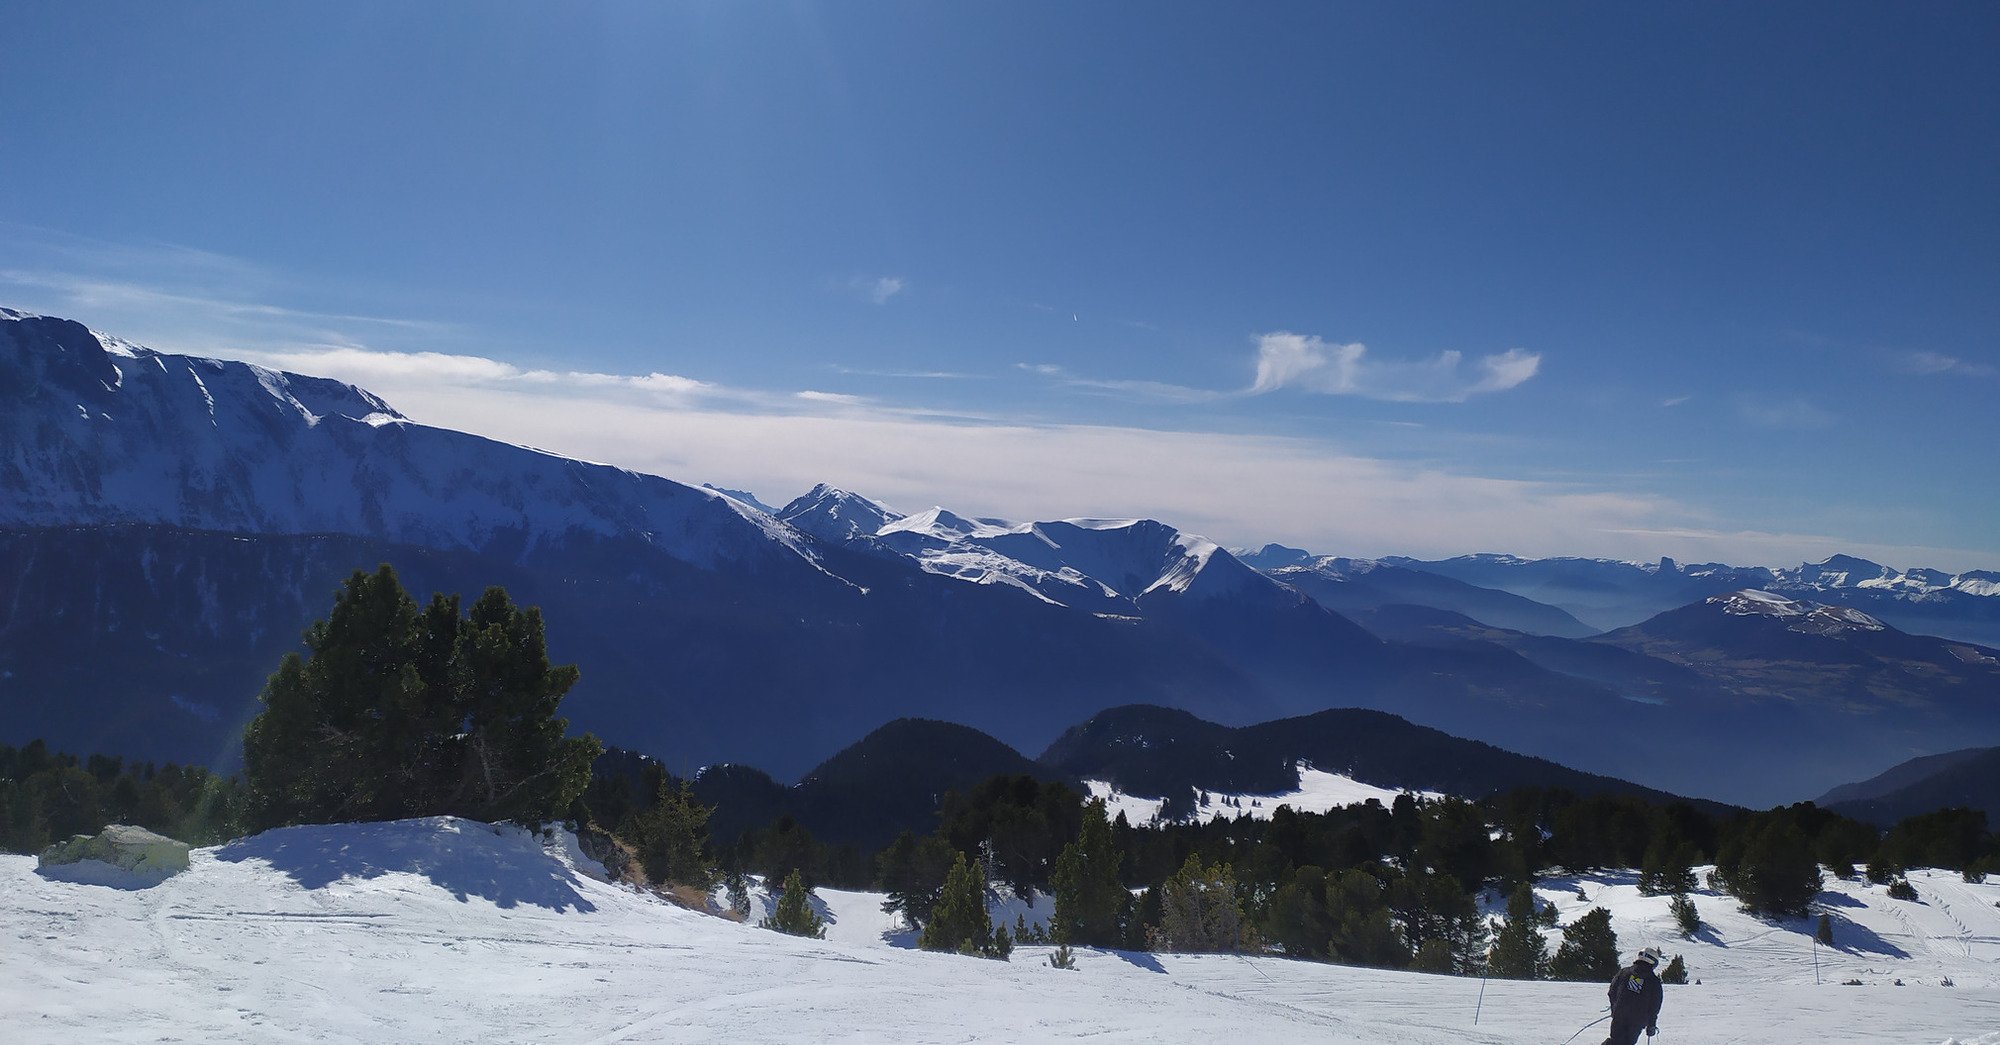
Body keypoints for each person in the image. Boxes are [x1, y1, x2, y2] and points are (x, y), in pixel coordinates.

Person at [1600, 946, 1665, 1045]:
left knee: (1615, 1040)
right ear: (1653, 962)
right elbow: (1654, 1006)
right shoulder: (1653, 981)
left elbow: (1612, 991)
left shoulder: (1624, 972)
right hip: (1637, 1021)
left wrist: (1615, 1008)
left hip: (1619, 1015)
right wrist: (1651, 1024)